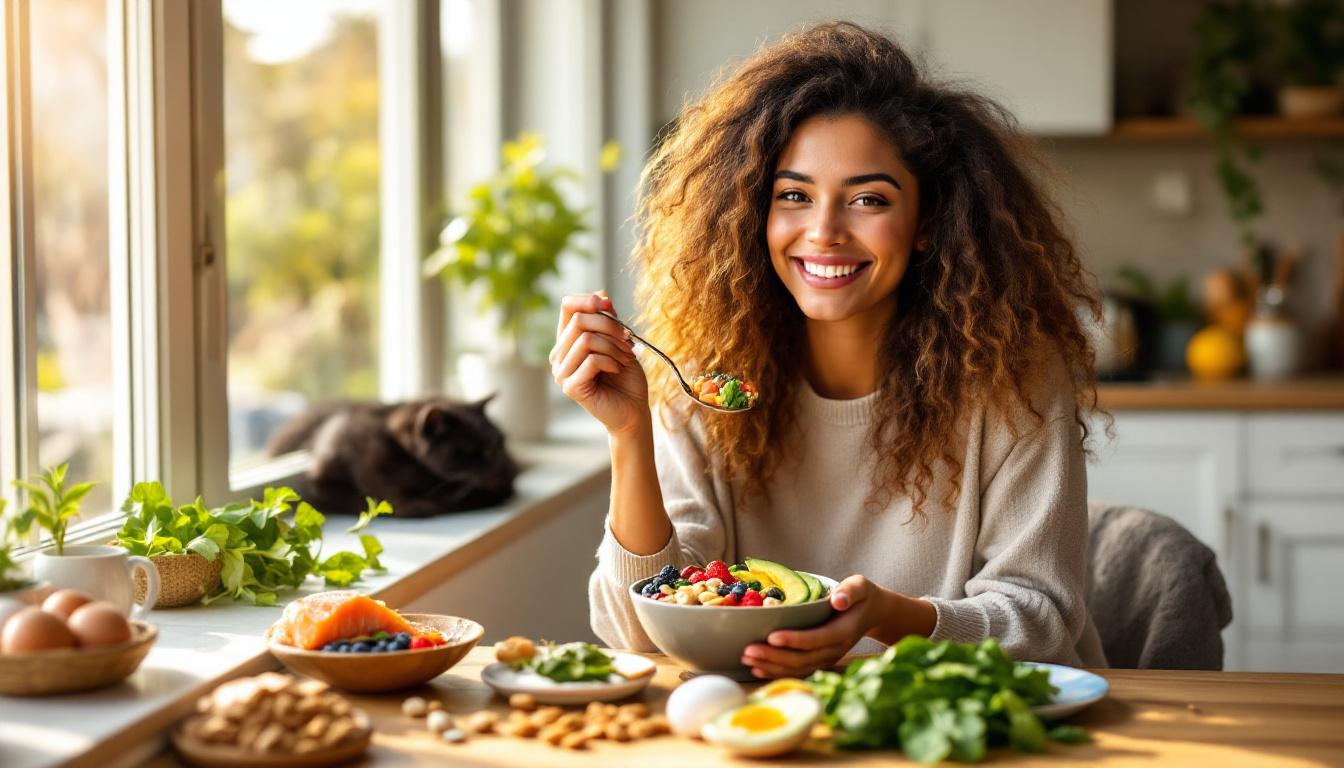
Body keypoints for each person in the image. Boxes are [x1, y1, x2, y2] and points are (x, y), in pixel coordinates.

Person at [550, 21, 1106, 678]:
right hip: (779, 721)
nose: (824, 232)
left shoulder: (1013, 378)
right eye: (794, 196)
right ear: (755, 214)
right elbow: (635, 629)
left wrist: (892, 618)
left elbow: (1042, 615)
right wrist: (627, 434)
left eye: (868, 199)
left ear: (928, 222)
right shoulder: (701, 376)